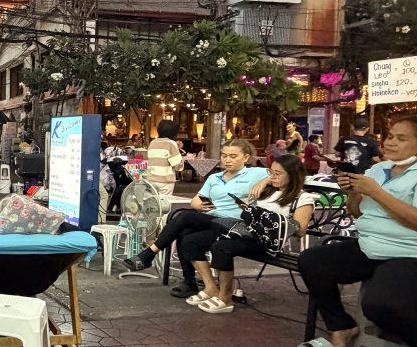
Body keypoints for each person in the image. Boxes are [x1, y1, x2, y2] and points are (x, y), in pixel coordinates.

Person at [296, 116, 417, 347]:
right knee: (312, 261)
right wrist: (352, 191)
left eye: (401, 138)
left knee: (379, 304)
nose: (391, 143)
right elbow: (357, 212)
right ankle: (341, 327)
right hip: (367, 245)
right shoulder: (378, 170)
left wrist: (376, 192)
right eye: (390, 136)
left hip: (407, 252)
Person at [123, 139, 269, 297]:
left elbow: (284, 172)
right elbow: (196, 200)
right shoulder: (215, 178)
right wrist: (198, 204)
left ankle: (150, 254)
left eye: (233, 156)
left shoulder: (256, 173)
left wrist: (264, 182)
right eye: (224, 156)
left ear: (246, 157)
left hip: (235, 224)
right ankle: (196, 283)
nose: (227, 160)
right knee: (186, 233)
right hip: (212, 220)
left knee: (184, 216)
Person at [188, 154, 316, 314]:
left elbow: (300, 231)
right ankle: (211, 287)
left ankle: (225, 297)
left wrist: (271, 219)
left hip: (268, 241)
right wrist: (262, 186)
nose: (273, 177)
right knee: (192, 240)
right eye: (271, 172)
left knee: (221, 247)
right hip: (247, 232)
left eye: (278, 173)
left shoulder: (302, 198)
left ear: (292, 175)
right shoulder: (268, 190)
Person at [144, 119, 184, 196]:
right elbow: (177, 165)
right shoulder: (171, 143)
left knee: (153, 201)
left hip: (151, 179)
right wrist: (179, 152)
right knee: (165, 202)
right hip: (165, 181)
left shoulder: (153, 142)